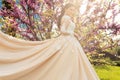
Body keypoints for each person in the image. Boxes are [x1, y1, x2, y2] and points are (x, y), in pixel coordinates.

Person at [0, 3, 100, 80]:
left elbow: (67, 30)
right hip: (67, 41)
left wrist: (74, 34)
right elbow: (62, 31)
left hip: (71, 41)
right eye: (71, 9)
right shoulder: (66, 18)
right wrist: (72, 33)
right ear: (66, 9)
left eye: (74, 10)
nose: (72, 11)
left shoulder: (68, 18)